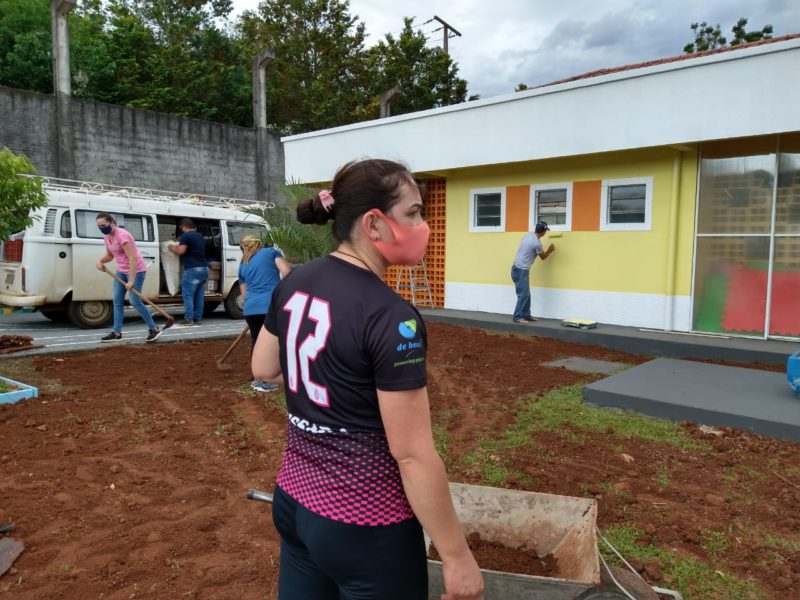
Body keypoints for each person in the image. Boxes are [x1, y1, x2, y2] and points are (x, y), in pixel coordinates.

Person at [252, 159, 484, 600]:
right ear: (374, 224)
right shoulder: (392, 317)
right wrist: (457, 557)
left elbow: (263, 368)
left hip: (294, 501)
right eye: (414, 212)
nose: (423, 224)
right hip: (365, 522)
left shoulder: (296, 280)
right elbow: (413, 454)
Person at [94, 212, 162, 343]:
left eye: (104, 225)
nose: (102, 228)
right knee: (117, 300)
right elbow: (110, 256)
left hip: (136, 270)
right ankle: (117, 332)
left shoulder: (122, 236)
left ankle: (154, 329)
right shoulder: (107, 237)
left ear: (112, 223)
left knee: (135, 301)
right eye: (99, 226)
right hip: (121, 270)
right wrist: (100, 261)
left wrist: (131, 280)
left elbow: (132, 258)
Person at [238, 234, 292, 393]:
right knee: (278, 340)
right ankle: (274, 377)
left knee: (257, 340)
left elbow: (244, 294)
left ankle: (258, 378)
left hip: (251, 309)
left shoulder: (243, 264)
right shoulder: (270, 252)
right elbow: (287, 271)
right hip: (270, 305)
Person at [510, 220, 555, 324]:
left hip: (516, 268)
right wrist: (550, 250)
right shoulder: (536, 243)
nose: (546, 233)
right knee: (524, 294)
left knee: (526, 293)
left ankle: (526, 315)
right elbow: (543, 257)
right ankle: (517, 317)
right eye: (545, 231)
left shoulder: (528, 236)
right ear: (543, 232)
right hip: (522, 270)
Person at [168, 218, 208, 325]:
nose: (182, 230)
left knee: (188, 295)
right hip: (203, 268)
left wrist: (172, 247)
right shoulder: (199, 236)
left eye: (181, 228)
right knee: (199, 295)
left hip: (192, 269)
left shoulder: (186, 236)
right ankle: (197, 318)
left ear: (184, 226)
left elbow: (181, 251)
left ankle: (188, 318)